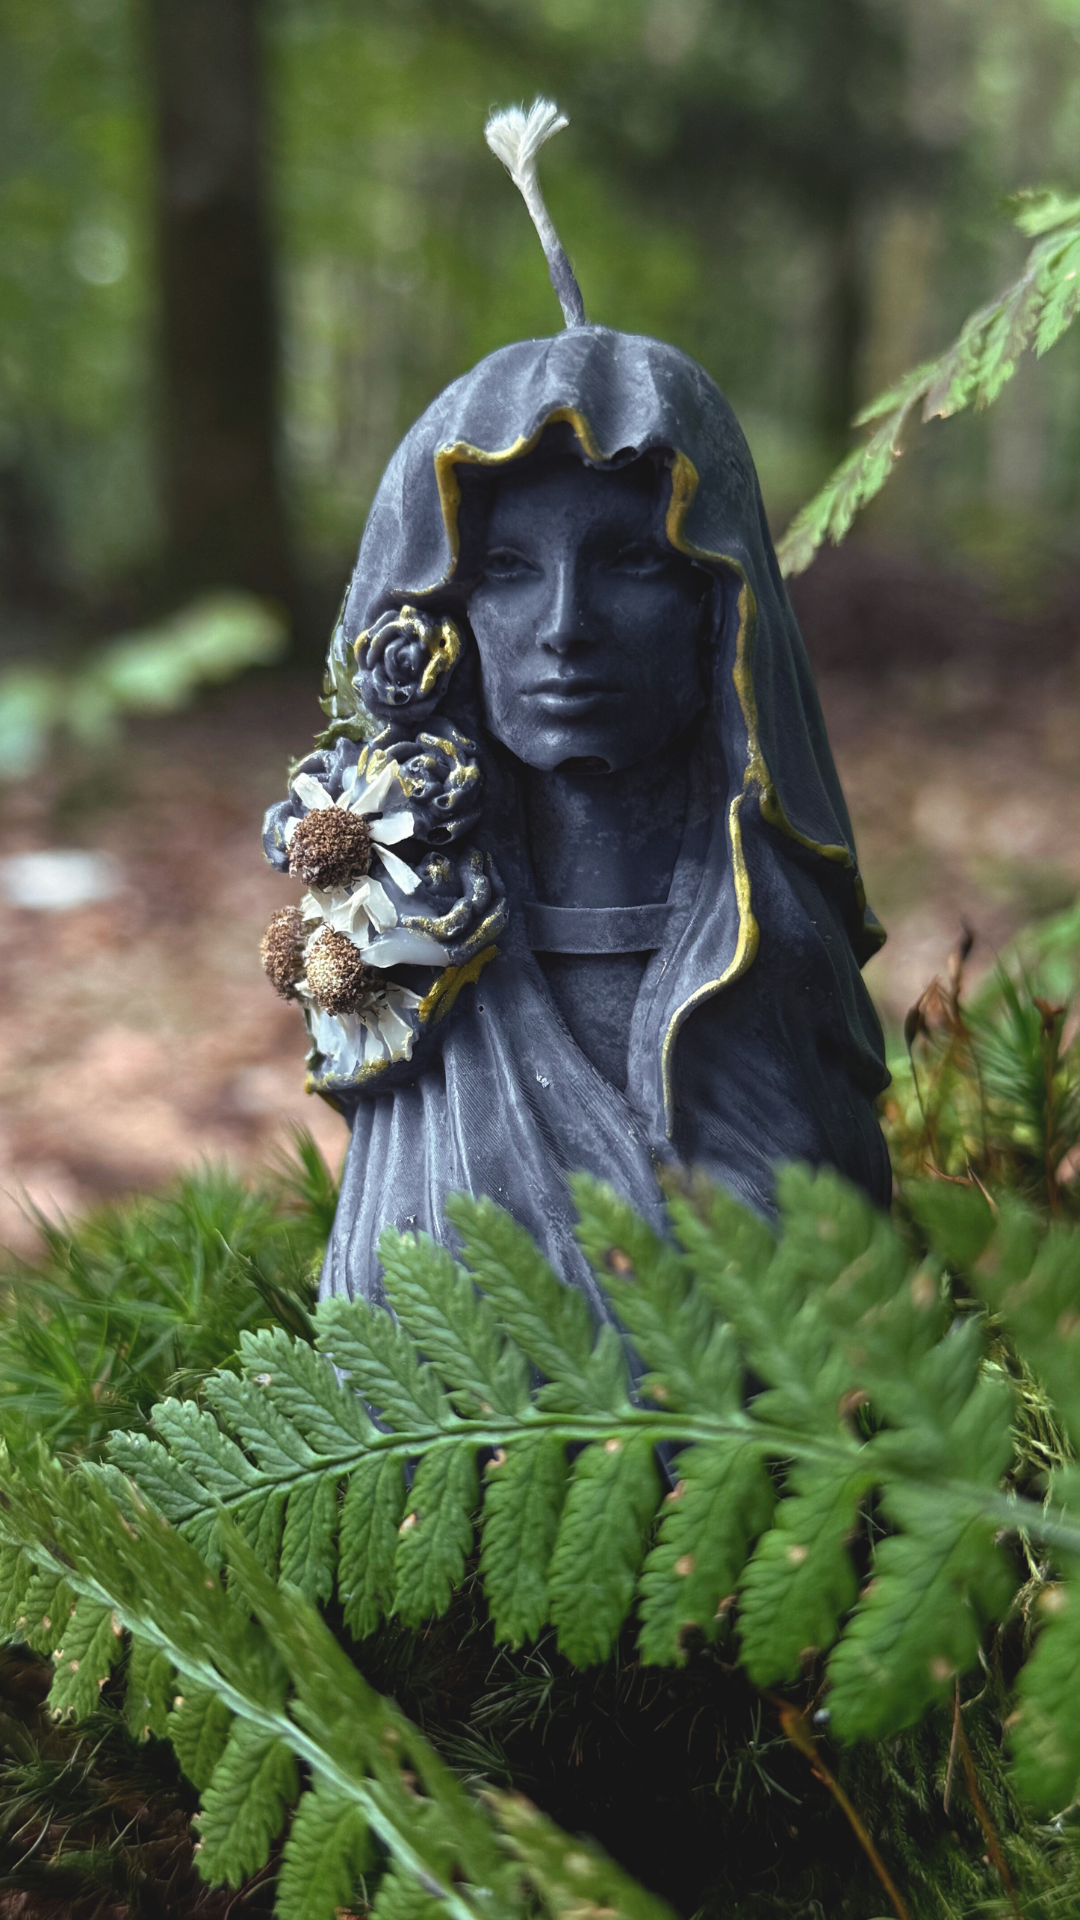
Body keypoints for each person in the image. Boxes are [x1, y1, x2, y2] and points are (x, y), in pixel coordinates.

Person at [261, 107, 890, 1318]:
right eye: (506, 569)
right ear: (437, 617)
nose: (565, 625)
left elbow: (839, 1330)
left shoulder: (772, 968)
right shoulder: (411, 992)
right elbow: (393, 1334)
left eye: (633, 562)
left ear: (720, 605)